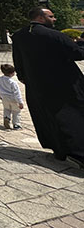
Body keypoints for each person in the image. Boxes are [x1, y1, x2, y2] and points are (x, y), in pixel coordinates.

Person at [12, 8, 84, 166]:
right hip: (64, 84)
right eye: (51, 16)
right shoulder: (55, 36)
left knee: (46, 117)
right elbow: (78, 54)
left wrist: (23, 77)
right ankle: (79, 153)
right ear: (41, 18)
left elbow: (18, 60)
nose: (55, 19)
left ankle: (59, 150)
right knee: (73, 116)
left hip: (37, 85)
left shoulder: (19, 36)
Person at [0, 63, 24, 129]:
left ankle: (7, 118)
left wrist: (0, 96)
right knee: (16, 111)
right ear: (12, 73)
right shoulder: (13, 82)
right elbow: (17, 93)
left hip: (4, 98)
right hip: (13, 99)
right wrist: (20, 102)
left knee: (7, 109)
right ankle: (16, 124)